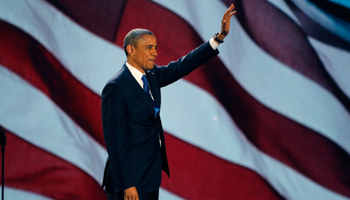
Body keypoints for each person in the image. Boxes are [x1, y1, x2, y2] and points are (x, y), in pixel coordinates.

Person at [101, 4, 236, 200]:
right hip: (129, 181)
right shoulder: (116, 87)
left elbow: (184, 65)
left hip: (149, 176)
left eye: (155, 48)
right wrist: (127, 184)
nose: (155, 52)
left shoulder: (153, 76)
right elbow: (115, 141)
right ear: (131, 49)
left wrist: (218, 39)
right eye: (149, 48)